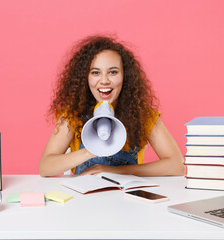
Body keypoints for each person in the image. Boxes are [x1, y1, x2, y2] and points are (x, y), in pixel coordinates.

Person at [39, 35, 185, 177]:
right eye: (95, 72)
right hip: (84, 199)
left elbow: (177, 165)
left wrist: (114, 171)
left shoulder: (142, 115)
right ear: (85, 78)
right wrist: (89, 151)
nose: (104, 81)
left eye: (113, 72)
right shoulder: (72, 115)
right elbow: (45, 167)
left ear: (125, 76)